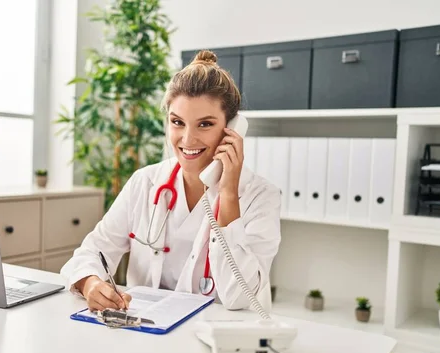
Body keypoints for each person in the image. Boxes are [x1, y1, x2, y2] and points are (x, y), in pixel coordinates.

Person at [60, 50, 281, 312]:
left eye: (205, 124)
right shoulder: (145, 182)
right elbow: (92, 251)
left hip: (214, 341)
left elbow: (238, 297)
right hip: (145, 332)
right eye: (177, 122)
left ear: (231, 129)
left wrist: (229, 194)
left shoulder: (260, 196)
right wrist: (90, 284)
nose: (187, 140)